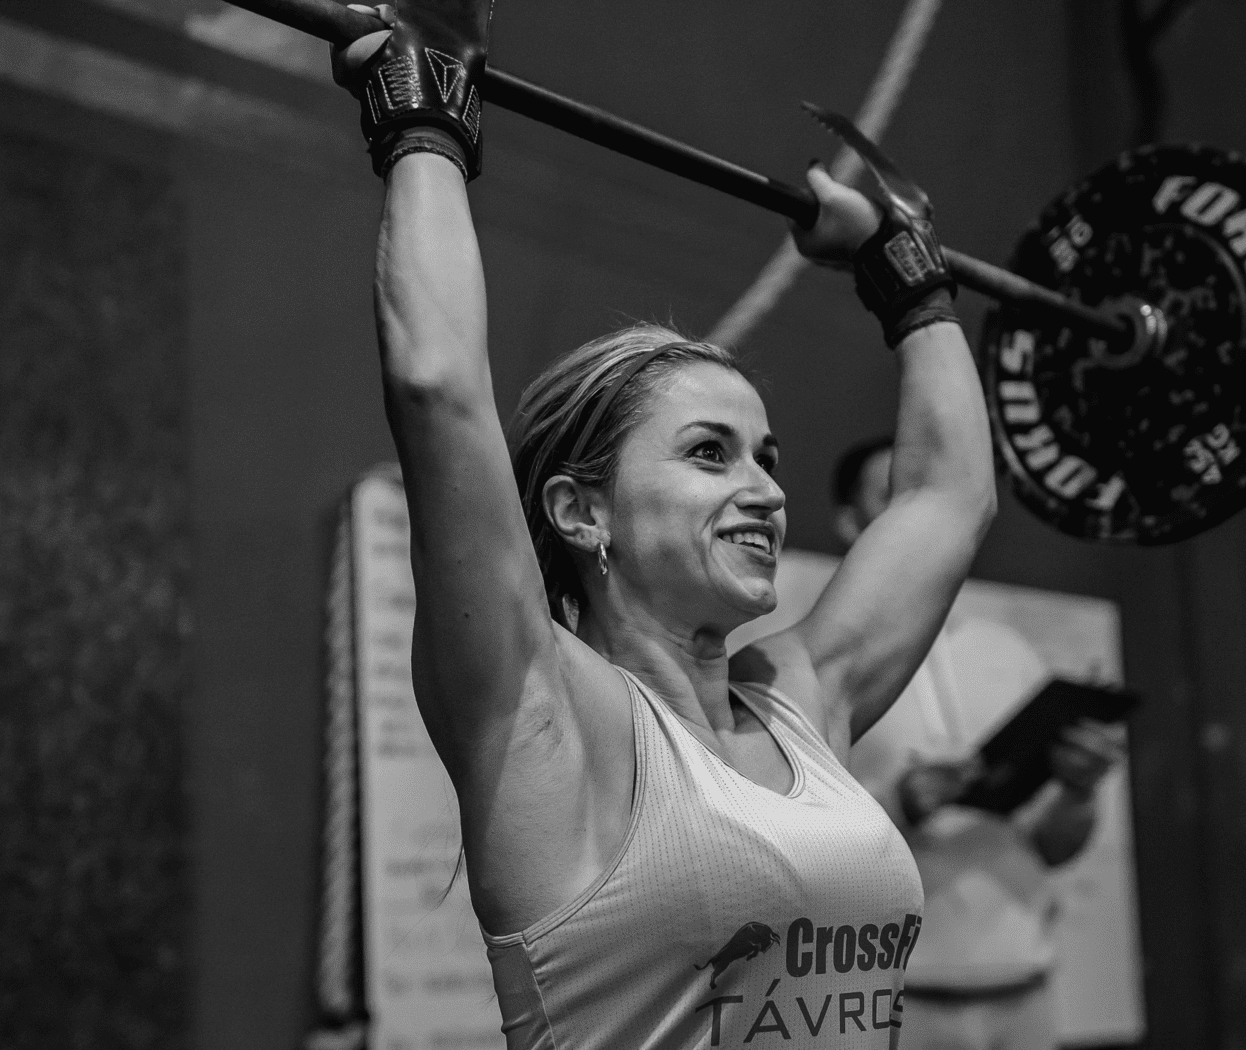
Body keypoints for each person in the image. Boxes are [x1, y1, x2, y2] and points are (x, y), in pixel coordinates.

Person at [327, 3, 995, 1046]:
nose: (765, 491)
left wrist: (907, 274)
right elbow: (437, 388)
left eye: (767, 458)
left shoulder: (802, 705)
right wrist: (426, 113)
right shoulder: (543, 713)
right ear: (580, 510)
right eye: (709, 454)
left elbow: (948, 499)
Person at [831, 438, 1126, 1050]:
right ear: (848, 523)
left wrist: (1077, 790)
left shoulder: (1008, 651)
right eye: (893, 493)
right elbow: (786, 854)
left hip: (1027, 993)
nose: (919, 511)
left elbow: (1053, 847)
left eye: (928, 491)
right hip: (888, 1005)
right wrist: (903, 802)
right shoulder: (816, 663)